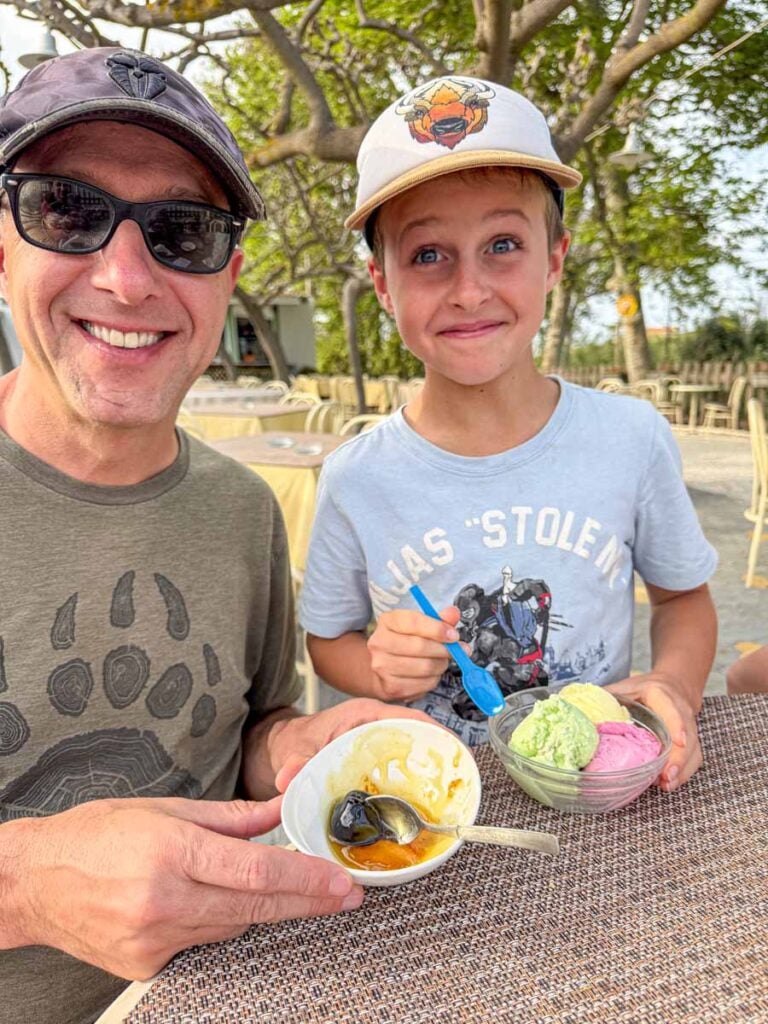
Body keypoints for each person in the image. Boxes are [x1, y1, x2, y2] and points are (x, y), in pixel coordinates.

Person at [0, 47, 428, 1024]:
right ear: (3, 241)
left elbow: (250, 731)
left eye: (180, 233)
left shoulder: (241, 510)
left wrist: (305, 748)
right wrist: (25, 882)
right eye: (67, 210)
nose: (126, 276)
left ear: (228, 275)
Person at [299, 76, 718, 774]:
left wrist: (674, 681)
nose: (469, 290)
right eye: (428, 255)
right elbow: (328, 641)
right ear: (383, 284)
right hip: (437, 806)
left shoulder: (631, 439)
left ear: (553, 259)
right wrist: (378, 668)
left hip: (599, 795)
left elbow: (684, 599)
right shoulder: (356, 477)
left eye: (502, 245)